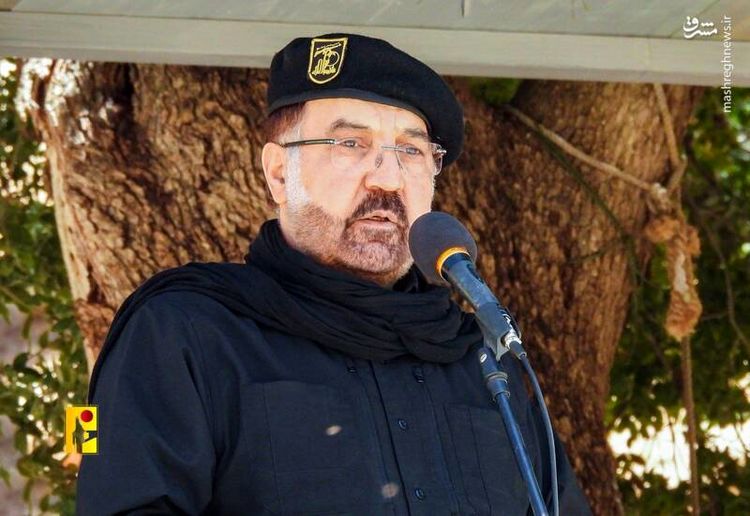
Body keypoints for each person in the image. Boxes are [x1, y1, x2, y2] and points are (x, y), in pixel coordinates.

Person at [76, 33, 591, 515]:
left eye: (411, 150)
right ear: (279, 173)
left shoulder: (484, 360)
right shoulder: (182, 331)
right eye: (350, 144)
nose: (388, 178)